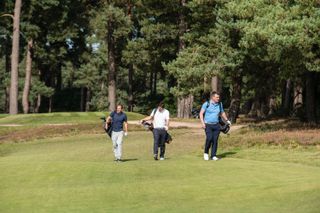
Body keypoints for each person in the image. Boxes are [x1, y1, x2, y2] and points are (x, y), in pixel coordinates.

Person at [199, 91, 231, 161]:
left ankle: (213, 155)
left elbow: (222, 113)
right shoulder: (206, 104)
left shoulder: (220, 104)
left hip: (216, 125)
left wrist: (227, 120)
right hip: (208, 125)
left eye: (218, 97)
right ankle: (206, 153)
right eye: (217, 97)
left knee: (215, 140)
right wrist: (202, 123)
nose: (218, 98)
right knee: (209, 138)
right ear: (212, 97)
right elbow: (201, 113)